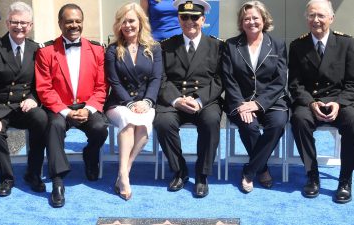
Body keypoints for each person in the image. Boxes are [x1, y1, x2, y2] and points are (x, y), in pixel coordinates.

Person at [288, 0, 354, 204]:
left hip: (339, 102)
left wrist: (339, 103)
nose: (316, 20)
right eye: (311, 15)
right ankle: (312, 176)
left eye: (321, 15)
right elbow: (294, 85)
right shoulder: (297, 46)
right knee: (298, 119)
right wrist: (311, 103)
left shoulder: (346, 43)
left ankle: (345, 180)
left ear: (331, 18)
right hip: (310, 102)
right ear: (306, 19)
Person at [35, 3, 108, 208]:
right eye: (69, 21)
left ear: (82, 23)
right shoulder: (46, 51)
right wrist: (66, 112)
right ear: (60, 23)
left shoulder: (96, 50)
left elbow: (102, 87)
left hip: (87, 106)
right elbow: (44, 89)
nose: (74, 25)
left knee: (100, 129)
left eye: (77, 21)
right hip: (60, 107)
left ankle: (90, 156)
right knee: (55, 127)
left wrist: (89, 109)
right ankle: (58, 182)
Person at [154, 0, 223, 198]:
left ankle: (202, 175)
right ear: (178, 18)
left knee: (211, 121)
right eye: (184, 17)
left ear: (203, 19)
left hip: (205, 100)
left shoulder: (217, 46)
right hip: (175, 100)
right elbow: (161, 78)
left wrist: (199, 100)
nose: (189, 21)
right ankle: (179, 171)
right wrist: (176, 100)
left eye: (194, 17)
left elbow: (219, 80)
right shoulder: (166, 46)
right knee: (163, 121)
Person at [222, 1, 288, 193]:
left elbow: (279, 80)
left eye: (255, 18)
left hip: (272, 101)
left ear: (264, 19)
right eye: (246, 19)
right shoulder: (231, 45)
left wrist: (258, 104)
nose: (251, 22)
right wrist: (243, 104)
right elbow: (229, 78)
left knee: (277, 124)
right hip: (240, 101)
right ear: (241, 23)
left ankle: (250, 170)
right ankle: (263, 168)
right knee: (249, 126)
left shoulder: (277, 44)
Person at [104, 2, 162, 201]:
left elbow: (156, 78)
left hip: (146, 101)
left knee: (143, 127)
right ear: (119, 25)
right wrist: (129, 103)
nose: (128, 25)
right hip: (119, 103)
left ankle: (123, 173)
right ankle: (125, 176)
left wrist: (147, 102)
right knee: (128, 123)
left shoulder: (154, 48)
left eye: (131, 20)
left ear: (140, 22)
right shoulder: (112, 50)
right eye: (123, 21)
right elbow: (114, 81)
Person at [0, 2, 48, 197]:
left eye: (24, 23)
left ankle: (33, 173)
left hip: (25, 106)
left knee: (42, 119)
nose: (19, 27)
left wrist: (34, 99)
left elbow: (41, 82)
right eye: (15, 22)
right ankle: (6, 178)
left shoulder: (36, 49)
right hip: (1, 107)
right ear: (7, 24)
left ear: (30, 26)